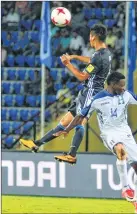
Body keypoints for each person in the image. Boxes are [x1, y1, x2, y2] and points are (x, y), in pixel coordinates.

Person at [54, 72, 137, 214]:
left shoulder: (126, 95)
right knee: (120, 149)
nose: (123, 88)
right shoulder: (97, 99)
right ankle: (125, 188)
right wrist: (67, 129)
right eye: (121, 85)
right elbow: (81, 116)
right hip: (109, 132)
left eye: (124, 85)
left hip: (125, 132)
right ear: (112, 84)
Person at [20, 24, 112, 163]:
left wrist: (67, 64)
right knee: (64, 122)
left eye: (90, 36)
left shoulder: (98, 56)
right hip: (89, 92)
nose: (89, 39)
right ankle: (36, 144)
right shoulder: (104, 53)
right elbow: (91, 61)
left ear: (93, 37)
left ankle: (72, 155)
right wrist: (75, 57)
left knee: (80, 122)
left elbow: (82, 76)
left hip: (91, 93)